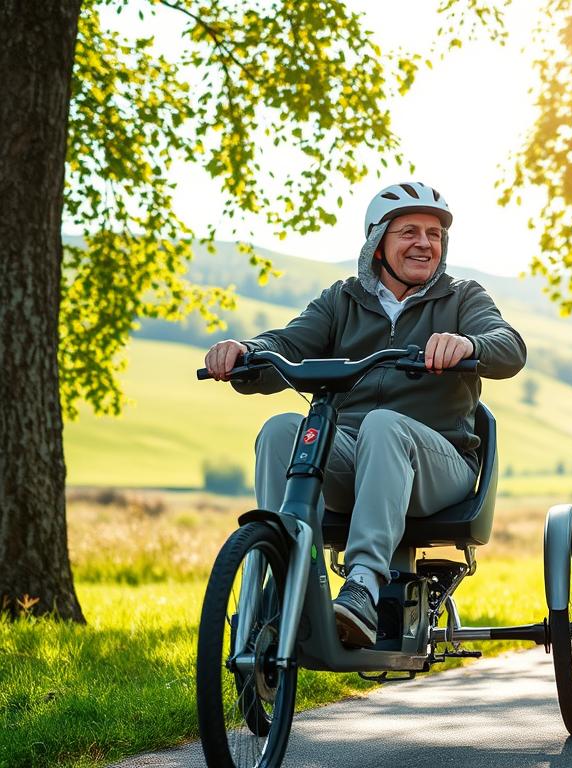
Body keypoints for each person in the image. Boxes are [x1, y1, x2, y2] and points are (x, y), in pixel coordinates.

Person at [204, 181, 527, 648]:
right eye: (409, 232)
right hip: (354, 459)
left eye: (434, 234)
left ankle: (362, 588)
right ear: (378, 243)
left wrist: (469, 344)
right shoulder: (342, 300)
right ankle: (278, 581)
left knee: (384, 424)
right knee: (281, 430)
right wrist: (246, 353)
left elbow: (509, 346)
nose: (424, 243)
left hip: (439, 466)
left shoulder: (462, 298)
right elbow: (288, 345)